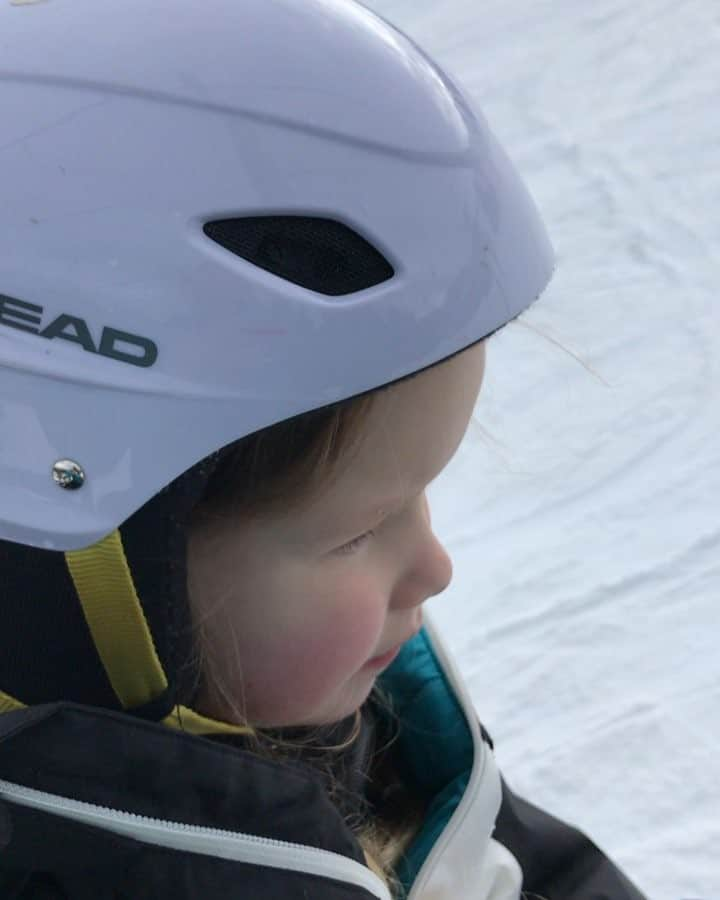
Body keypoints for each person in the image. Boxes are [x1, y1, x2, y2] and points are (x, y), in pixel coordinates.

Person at [0, 0, 647, 897]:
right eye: (360, 529)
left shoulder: (339, 735)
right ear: (82, 577)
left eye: (417, 500)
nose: (434, 567)